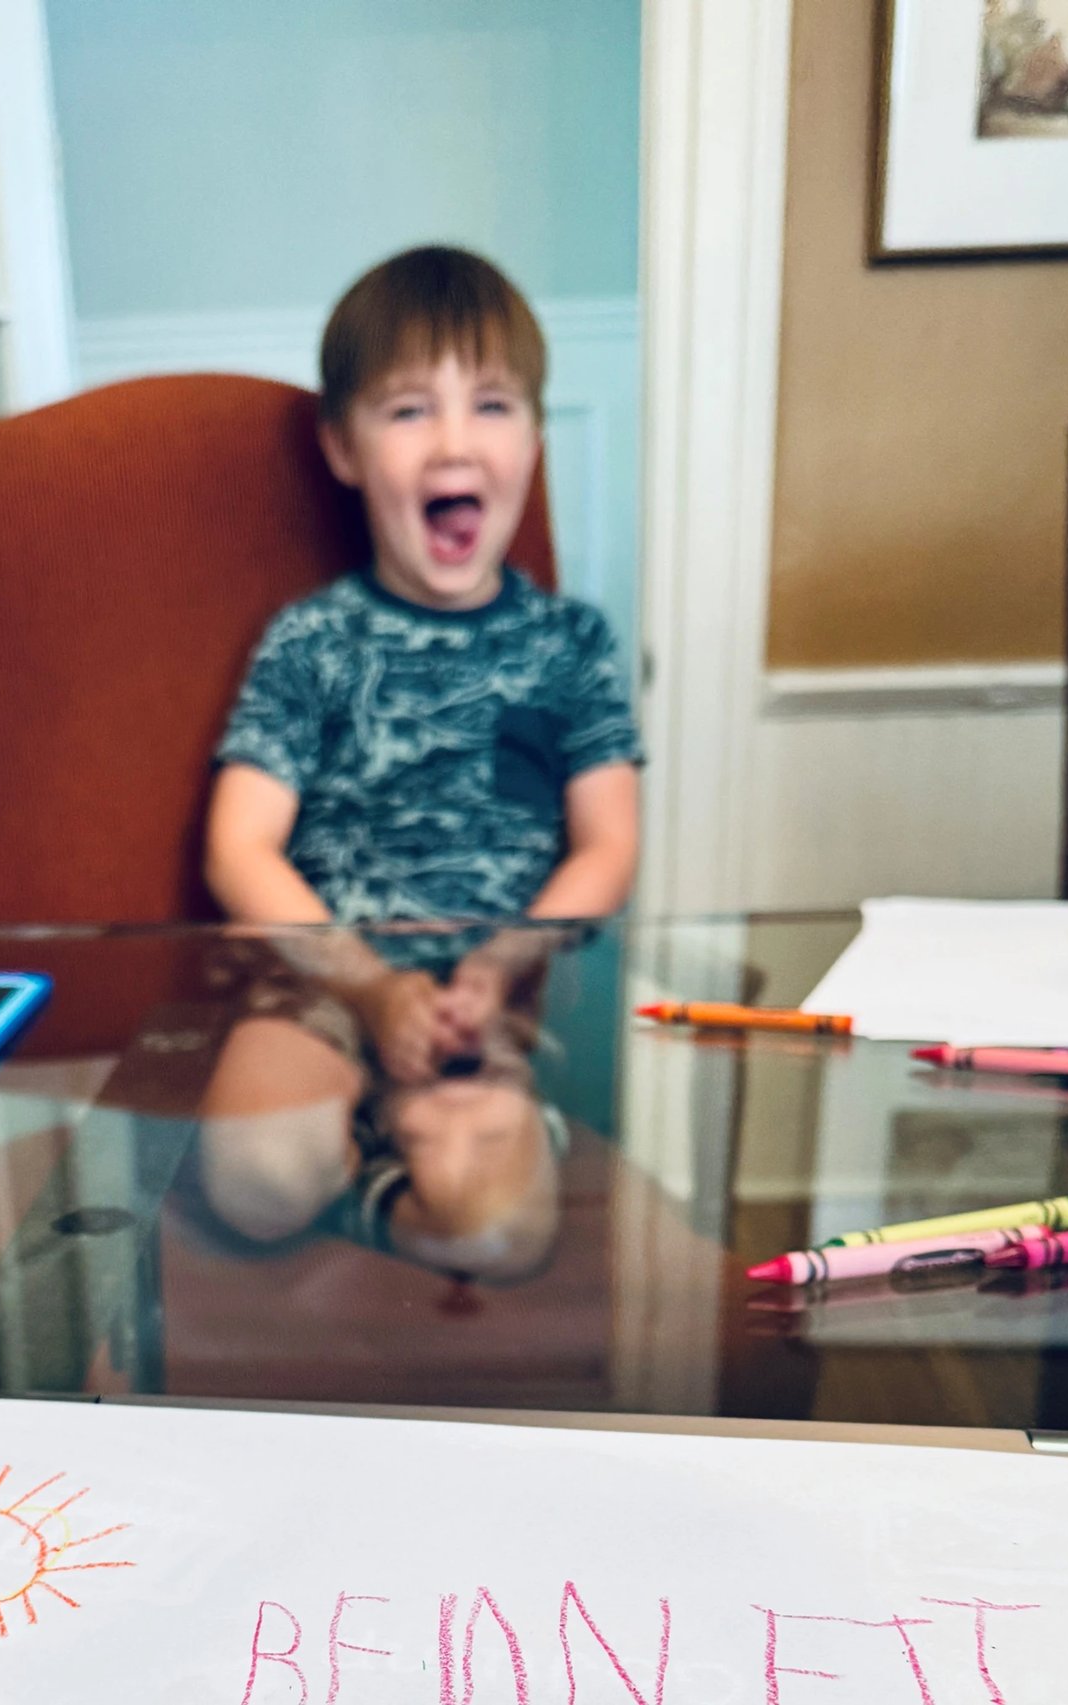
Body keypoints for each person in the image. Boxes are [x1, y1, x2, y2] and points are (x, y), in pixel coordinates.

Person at [195, 245, 642, 1280]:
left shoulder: (571, 645)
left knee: (501, 1234)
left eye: (492, 405)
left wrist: (498, 964)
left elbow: (608, 846)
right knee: (254, 1177)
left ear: (534, 438)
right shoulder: (310, 642)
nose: (454, 442)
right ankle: (356, 1148)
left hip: (480, 998)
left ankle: (388, 1181)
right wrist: (368, 987)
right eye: (408, 411)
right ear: (343, 448)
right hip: (321, 979)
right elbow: (238, 848)